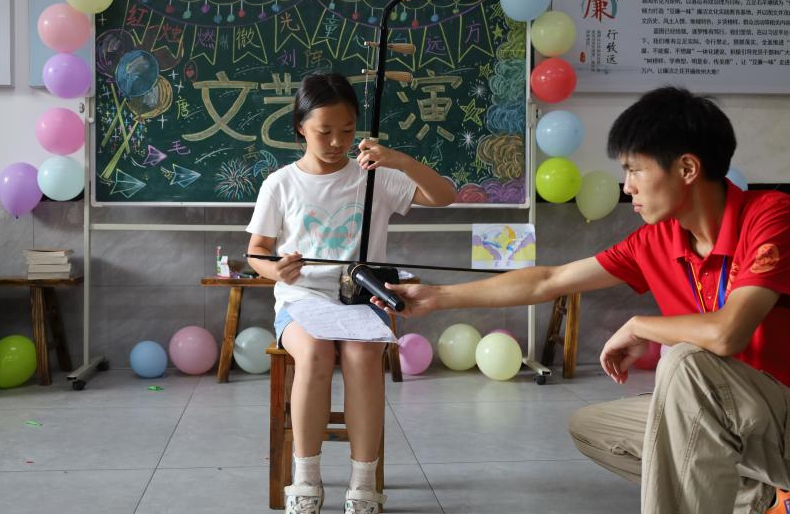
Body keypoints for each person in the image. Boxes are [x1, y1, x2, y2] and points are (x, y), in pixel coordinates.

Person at [372, 86, 790, 514]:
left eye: (635, 170)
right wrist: (438, 296)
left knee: (685, 363)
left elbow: (726, 334)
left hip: (780, 415)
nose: (627, 187)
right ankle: (764, 498)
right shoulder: (657, 239)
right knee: (595, 428)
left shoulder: (771, 216)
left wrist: (640, 326)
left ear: (687, 168)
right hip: (731, 419)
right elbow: (549, 280)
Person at [246, 72, 455, 514]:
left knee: (362, 358)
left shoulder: (376, 177)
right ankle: (306, 479)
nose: (337, 142)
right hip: (302, 299)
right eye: (324, 131)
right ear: (300, 126)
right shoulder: (280, 183)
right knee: (315, 354)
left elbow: (444, 195)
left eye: (347, 130)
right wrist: (275, 270)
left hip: (361, 297)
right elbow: (257, 252)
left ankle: (363, 483)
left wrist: (398, 160)